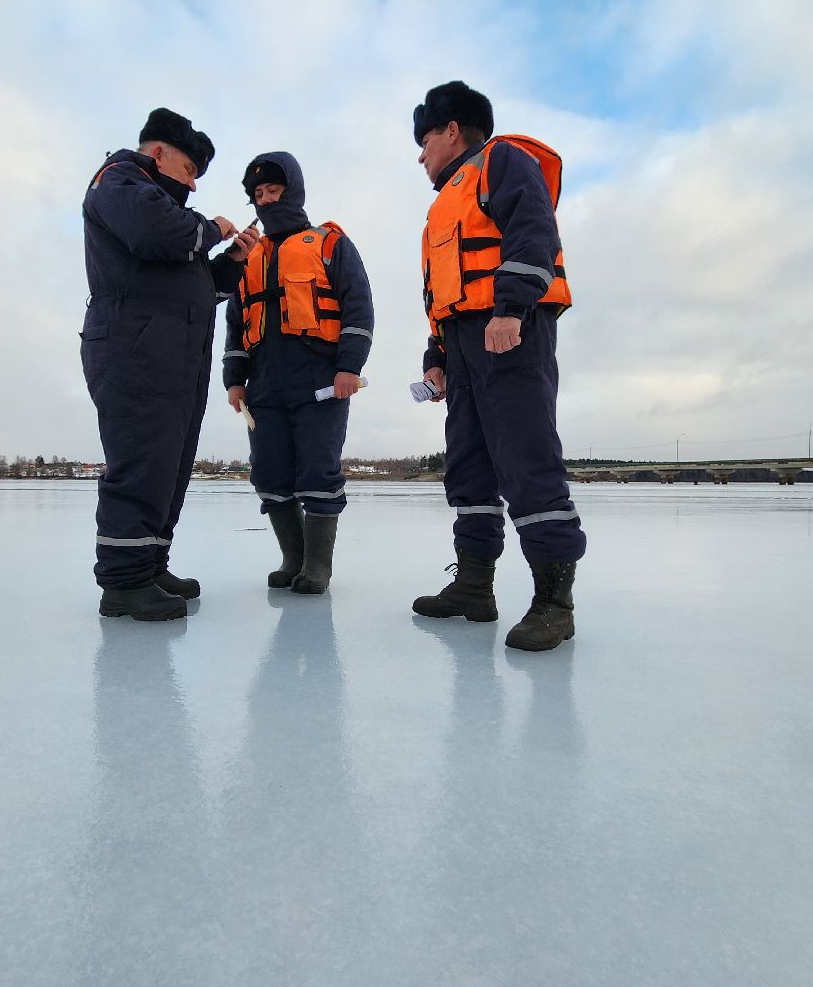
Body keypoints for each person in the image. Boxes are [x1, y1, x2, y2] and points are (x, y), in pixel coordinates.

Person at [408, 81, 587, 650]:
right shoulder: (441, 207)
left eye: (425, 139)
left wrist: (511, 307)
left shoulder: (502, 161)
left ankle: (555, 604)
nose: (421, 154)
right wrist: (437, 357)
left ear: (451, 130)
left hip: (508, 332)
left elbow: (533, 230)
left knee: (528, 460)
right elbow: (442, 293)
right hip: (462, 347)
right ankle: (473, 587)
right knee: (468, 468)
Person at [81, 107, 260, 621]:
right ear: (158, 154)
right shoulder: (117, 180)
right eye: (189, 173)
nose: (194, 188)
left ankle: (149, 561)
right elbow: (163, 233)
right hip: (134, 350)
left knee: (169, 465)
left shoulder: (154, 203)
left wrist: (232, 262)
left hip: (171, 355)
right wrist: (215, 229)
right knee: (141, 459)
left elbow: (195, 288)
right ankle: (123, 582)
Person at [222, 152, 374, 594]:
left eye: (274, 191)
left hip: (320, 380)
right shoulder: (249, 256)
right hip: (264, 383)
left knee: (317, 472)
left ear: (293, 191)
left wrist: (350, 366)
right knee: (268, 474)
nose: (266, 200)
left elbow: (358, 305)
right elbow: (236, 323)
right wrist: (235, 379)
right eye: (259, 195)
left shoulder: (329, 243)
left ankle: (317, 565)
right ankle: (292, 557)